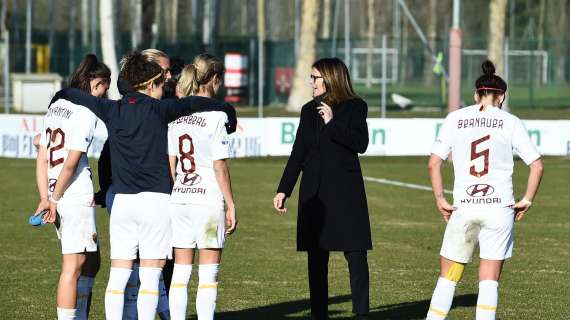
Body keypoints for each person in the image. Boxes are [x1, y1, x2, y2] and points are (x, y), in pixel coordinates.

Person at [50, 51, 236, 320]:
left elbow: (81, 97)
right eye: (161, 85)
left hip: (123, 202)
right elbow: (195, 103)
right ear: (150, 85)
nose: (163, 90)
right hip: (155, 203)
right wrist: (226, 109)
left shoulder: (112, 108)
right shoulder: (161, 110)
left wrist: (61, 94)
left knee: (118, 275)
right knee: (150, 277)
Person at [425, 60, 544, 320]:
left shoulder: (456, 118)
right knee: (489, 280)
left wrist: (439, 199)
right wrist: (526, 200)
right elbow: (537, 166)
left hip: (464, 207)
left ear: (476, 94)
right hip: (499, 208)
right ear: (502, 97)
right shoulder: (510, 121)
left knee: (449, 278)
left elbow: (434, 163)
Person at [273, 57, 372, 320]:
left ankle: (361, 313)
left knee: (356, 254)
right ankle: (319, 314)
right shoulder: (308, 110)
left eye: (315, 77)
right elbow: (299, 152)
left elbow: (360, 143)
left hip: (346, 193)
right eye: (311, 77)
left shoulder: (355, 106)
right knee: (316, 257)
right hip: (314, 193)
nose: (311, 82)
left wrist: (333, 122)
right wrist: (284, 189)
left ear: (330, 78)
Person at [34, 54, 110, 320]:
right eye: (104, 88)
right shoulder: (85, 110)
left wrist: (45, 195)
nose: (104, 95)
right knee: (73, 266)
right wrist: (53, 199)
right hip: (71, 194)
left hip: (58, 192)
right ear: (96, 83)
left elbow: (42, 154)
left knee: (92, 260)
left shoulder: (58, 105)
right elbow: (71, 162)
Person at [167, 54, 237, 320]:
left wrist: (180, 189)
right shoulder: (217, 115)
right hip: (207, 201)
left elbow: (171, 163)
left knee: (181, 273)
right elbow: (219, 166)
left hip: (180, 200)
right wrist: (230, 204)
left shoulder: (177, 114)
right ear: (216, 79)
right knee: (208, 275)